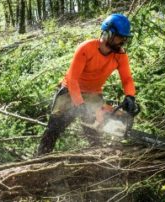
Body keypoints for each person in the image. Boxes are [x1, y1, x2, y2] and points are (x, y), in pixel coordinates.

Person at [37, 14, 137, 155]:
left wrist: (130, 96)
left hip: (93, 93)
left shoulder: (120, 55)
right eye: (120, 37)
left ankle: (96, 162)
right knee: (54, 129)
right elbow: (73, 79)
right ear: (109, 33)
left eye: (124, 38)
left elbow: (127, 79)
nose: (123, 42)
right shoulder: (86, 49)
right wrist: (79, 104)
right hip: (70, 91)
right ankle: (40, 158)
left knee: (94, 132)